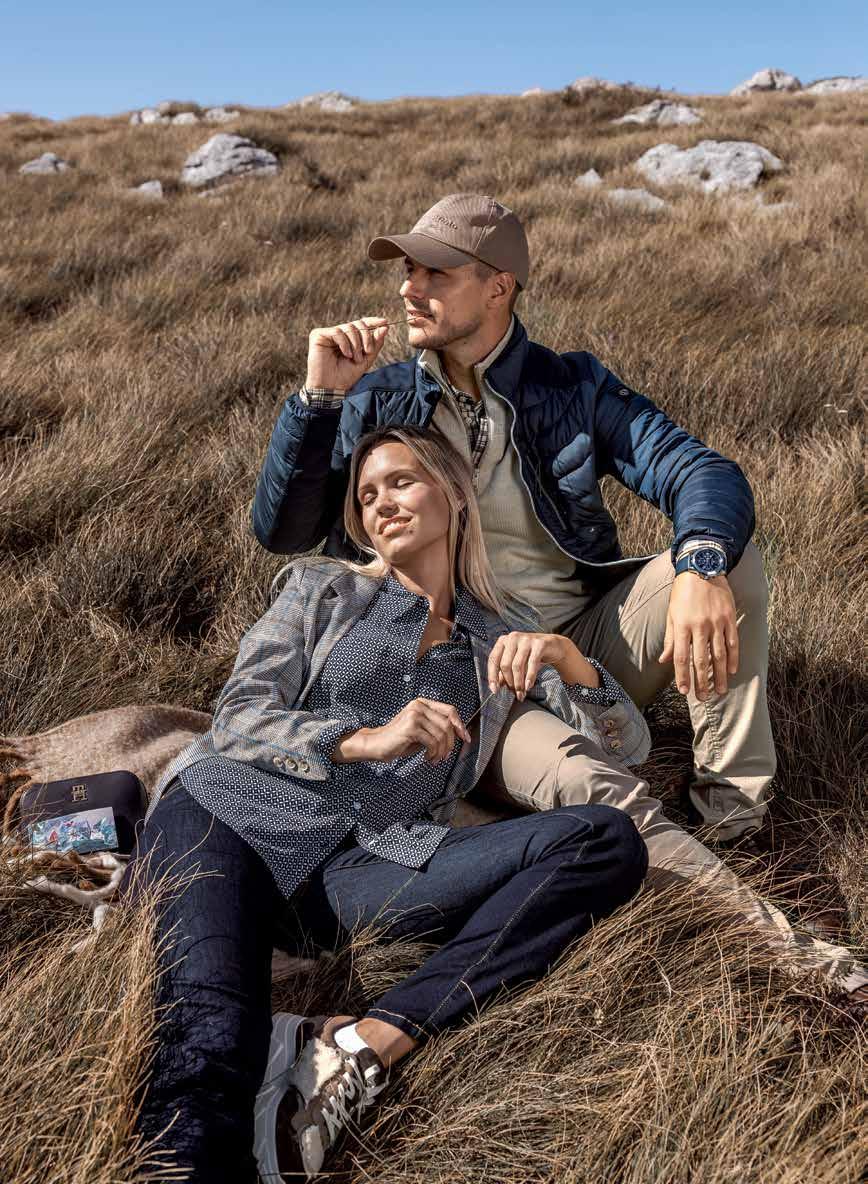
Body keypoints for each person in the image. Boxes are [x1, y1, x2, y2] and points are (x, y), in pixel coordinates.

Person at [123, 425, 649, 1182]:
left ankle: (365, 1042)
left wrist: (570, 661)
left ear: (454, 493)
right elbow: (237, 716)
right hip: (230, 815)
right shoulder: (324, 590)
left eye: (401, 482)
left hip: (365, 862)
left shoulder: (495, 637)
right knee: (211, 1036)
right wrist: (361, 739)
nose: (382, 505)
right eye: (367, 496)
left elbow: (627, 744)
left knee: (606, 841)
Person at [252, 192, 771, 849]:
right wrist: (319, 400)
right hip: (451, 670)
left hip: (577, 648)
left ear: (498, 287)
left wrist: (700, 567)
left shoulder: (572, 386)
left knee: (724, 557)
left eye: (435, 273)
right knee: (579, 780)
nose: (409, 289)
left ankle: (732, 821)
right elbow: (284, 534)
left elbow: (699, 471)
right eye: (408, 271)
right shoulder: (374, 398)